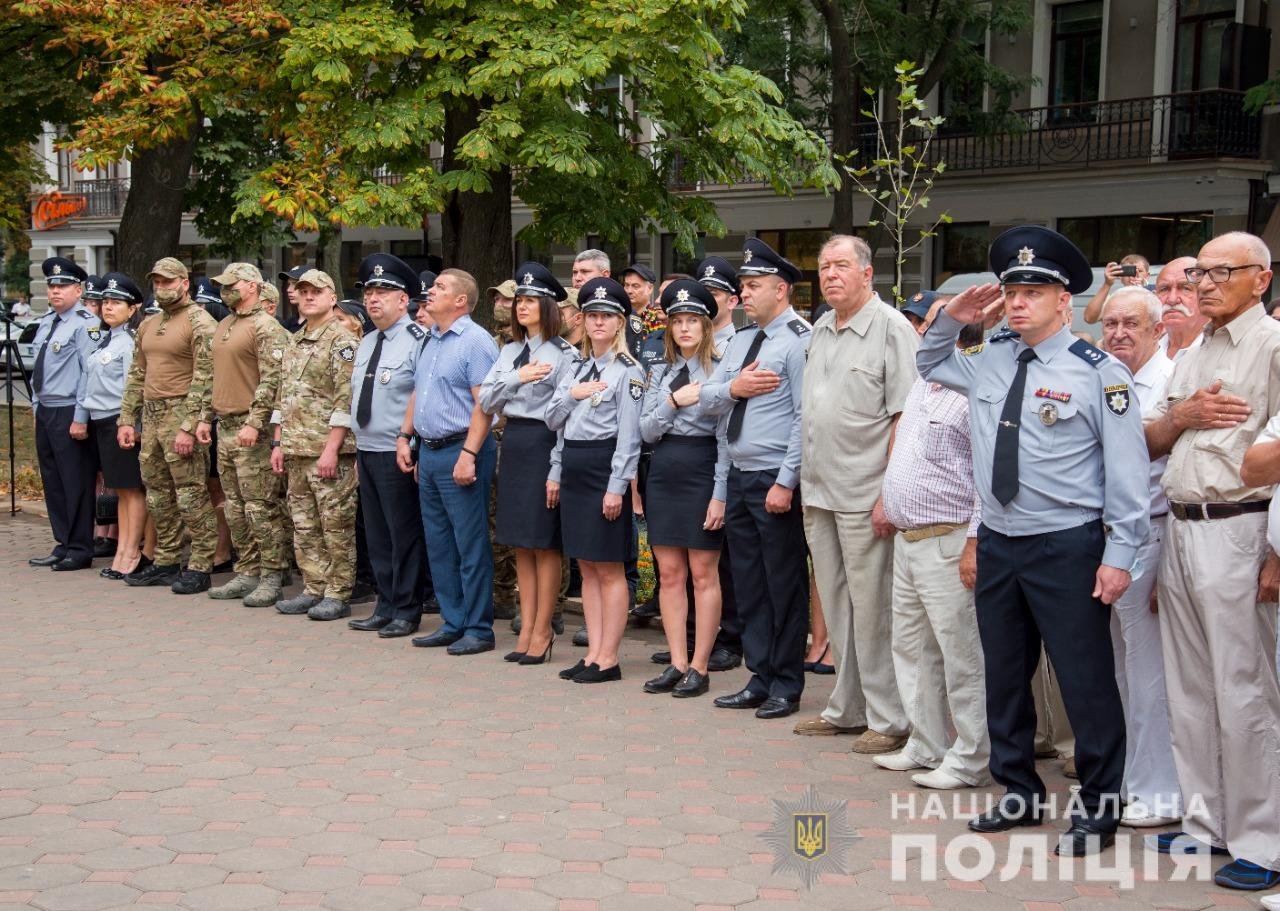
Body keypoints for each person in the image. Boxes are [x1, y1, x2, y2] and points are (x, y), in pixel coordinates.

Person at [918, 225, 1149, 857]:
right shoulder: (993, 355)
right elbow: (930, 363)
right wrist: (950, 317)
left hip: (1066, 544)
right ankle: (1017, 791)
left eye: (1034, 291)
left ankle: (1099, 809)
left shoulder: (1100, 374)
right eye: (1012, 290)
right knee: (1005, 675)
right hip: (1000, 542)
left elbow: (1127, 474)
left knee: (1084, 681)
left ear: (1064, 302)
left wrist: (1120, 555)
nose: (1018, 302)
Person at [1146, 231, 1280, 891]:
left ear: (1261, 278)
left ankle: (1263, 837)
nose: (1202, 283)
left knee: (1244, 687)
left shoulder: (1274, 345)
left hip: (1240, 527)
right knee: (1192, 685)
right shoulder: (1196, 348)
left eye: (1219, 272)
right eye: (1198, 271)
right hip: (1181, 524)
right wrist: (1186, 413)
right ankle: (1206, 821)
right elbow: (1156, 430)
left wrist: (1277, 552)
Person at [791, 234, 915, 749]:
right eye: (823, 267)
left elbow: (905, 417)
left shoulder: (892, 329)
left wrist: (891, 493)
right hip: (819, 490)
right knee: (836, 605)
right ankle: (846, 706)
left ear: (867, 273)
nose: (831, 275)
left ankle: (888, 719)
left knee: (873, 607)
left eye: (841, 266)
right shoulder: (820, 326)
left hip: (866, 495)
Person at [875, 319, 990, 789]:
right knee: (912, 648)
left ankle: (971, 757)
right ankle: (926, 744)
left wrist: (975, 542)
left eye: (944, 323)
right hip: (908, 539)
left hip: (950, 537)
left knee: (961, 653)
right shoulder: (924, 383)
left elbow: (987, 473)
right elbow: (904, 449)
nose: (928, 331)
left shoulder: (977, 387)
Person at [699, 237, 811, 720]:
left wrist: (787, 480)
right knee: (749, 584)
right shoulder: (742, 341)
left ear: (781, 289)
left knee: (783, 582)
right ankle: (760, 674)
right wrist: (735, 386)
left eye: (753, 284)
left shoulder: (800, 339)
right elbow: (710, 403)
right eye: (742, 285)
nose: (744, 292)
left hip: (774, 477)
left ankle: (787, 681)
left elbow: (805, 417)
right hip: (740, 475)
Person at [1095, 286, 1182, 827]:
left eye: (1131, 324)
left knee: (1150, 674)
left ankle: (1161, 790)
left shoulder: (1169, 384)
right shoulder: (1103, 377)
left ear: (1157, 330)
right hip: (1106, 539)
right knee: (1120, 669)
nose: (1119, 334)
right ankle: (1131, 777)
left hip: (1151, 535)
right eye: (1110, 324)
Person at [546, 277, 644, 683]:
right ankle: (592, 654)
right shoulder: (575, 366)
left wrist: (617, 487)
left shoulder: (628, 371)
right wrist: (575, 394)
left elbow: (629, 436)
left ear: (620, 323)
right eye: (591, 316)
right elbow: (553, 419)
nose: (598, 322)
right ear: (582, 321)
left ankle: (609, 657)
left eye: (607, 316)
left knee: (609, 568)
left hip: (604, 467)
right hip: (575, 466)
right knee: (586, 565)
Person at [398, 268, 499, 656]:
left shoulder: (475, 341)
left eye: (440, 287)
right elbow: (418, 393)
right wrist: (406, 438)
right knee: (439, 543)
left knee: (469, 542)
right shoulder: (429, 339)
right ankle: (453, 620)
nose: (430, 292)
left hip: (462, 449)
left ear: (460, 300)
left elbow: (484, 405)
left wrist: (469, 455)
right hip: (431, 450)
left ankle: (478, 627)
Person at [479, 263, 577, 663]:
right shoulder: (509, 351)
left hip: (545, 442)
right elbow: (486, 401)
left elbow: (566, 414)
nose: (522, 306)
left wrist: (556, 467)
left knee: (544, 543)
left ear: (550, 305)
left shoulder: (565, 353)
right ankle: (527, 624)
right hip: (515, 441)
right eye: (519, 299)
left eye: (532, 300)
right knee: (519, 541)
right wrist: (518, 378)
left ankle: (542, 630)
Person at [638, 279, 726, 697]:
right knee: (669, 574)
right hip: (665, 472)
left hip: (703, 468)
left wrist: (720, 493)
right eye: (678, 321)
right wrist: (674, 401)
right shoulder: (661, 372)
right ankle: (675, 661)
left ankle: (700, 665)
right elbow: (648, 430)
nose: (685, 328)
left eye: (693, 320)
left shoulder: (722, 369)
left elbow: (725, 436)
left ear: (706, 326)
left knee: (702, 573)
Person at [117, 257, 220, 594]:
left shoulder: (200, 322)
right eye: (157, 283)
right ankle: (165, 560)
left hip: (181, 412)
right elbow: (136, 373)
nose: (162, 288)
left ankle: (201, 565)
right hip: (152, 413)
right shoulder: (149, 323)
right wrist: (127, 419)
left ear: (184, 283)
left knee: (191, 495)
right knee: (158, 496)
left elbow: (206, 379)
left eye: (168, 282)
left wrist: (190, 425)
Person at [345, 254, 432, 638]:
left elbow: (422, 396)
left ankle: (407, 608)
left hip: (398, 450)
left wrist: (410, 443)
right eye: (369, 292)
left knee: (403, 532)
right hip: (367, 447)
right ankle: (385, 602)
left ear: (404, 300)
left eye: (384, 291)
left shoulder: (418, 341)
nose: (373, 299)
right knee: (377, 533)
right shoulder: (366, 341)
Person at [196, 263, 291, 608]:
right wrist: (205, 417)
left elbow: (273, 380)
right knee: (235, 507)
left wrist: (256, 422)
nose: (225, 290)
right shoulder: (224, 324)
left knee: (261, 506)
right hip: (226, 426)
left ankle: (272, 574)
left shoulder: (266, 327)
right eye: (222, 285)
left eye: (231, 284)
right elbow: (210, 376)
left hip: (255, 430)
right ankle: (247, 570)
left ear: (252, 286)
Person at [269, 269, 360, 621]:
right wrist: (278, 442)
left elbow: (345, 400)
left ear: (331, 298)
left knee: (335, 525)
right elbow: (284, 396)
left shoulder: (342, 340)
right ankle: (313, 586)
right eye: (302, 291)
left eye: (315, 292)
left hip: (327, 451)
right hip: (296, 449)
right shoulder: (296, 339)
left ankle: (338, 592)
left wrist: (333, 448)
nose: (307, 297)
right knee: (304, 525)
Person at [27, 257, 99, 571]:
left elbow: (89, 373)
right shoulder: (47, 321)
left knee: (75, 481)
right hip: (46, 409)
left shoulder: (87, 323)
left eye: (63, 285)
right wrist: (35, 407)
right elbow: (37, 370)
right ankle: (63, 542)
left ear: (78, 289)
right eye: (52, 285)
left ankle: (81, 547)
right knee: (53, 480)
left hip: (69, 409)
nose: (56, 291)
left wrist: (81, 417)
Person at [79, 273, 147, 581]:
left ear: (133, 309)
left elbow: (131, 388)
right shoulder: (107, 339)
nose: (108, 308)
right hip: (102, 422)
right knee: (120, 490)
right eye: (105, 302)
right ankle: (122, 550)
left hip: (119, 422)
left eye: (116, 303)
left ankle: (132, 552)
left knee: (132, 490)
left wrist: (129, 422)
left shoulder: (129, 343)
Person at [1154, 256, 1206, 362]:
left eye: (1185, 288)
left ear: (1206, 294)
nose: (1172, 299)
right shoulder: (1147, 351)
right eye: (1164, 289)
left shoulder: (1221, 352)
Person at [1082, 253, 1151, 324]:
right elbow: (1089, 318)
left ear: (1147, 276)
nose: (1132, 275)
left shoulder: (1153, 297)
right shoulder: (1112, 299)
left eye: (1139, 271)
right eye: (1128, 271)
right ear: (1120, 276)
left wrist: (1139, 290)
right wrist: (1107, 284)